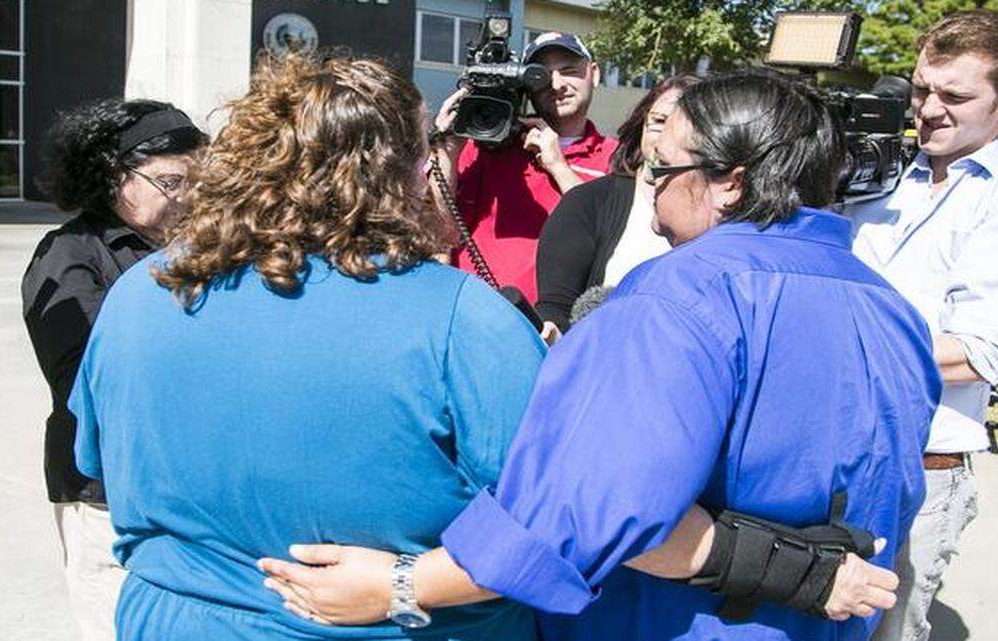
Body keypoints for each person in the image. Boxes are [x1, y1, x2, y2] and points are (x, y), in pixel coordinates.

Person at [260, 68, 943, 641]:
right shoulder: (893, 309)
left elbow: (591, 512)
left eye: (663, 169)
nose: (648, 188)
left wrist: (398, 584)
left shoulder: (676, 298)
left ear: (730, 182)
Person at [66, 53, 720, 641]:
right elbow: (564, 522)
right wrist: (405, 585)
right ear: (404, 173)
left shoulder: (140, 293)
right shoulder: (462, 321)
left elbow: (98, 460)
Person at [843, 11, 998, 641]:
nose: (929, 109)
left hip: (919, 467)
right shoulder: (873, 174)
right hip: (820, 452)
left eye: (955, 96)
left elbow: (972, 354)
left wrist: (826, 348)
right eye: (922, 89)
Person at [20, 98, 204, 641]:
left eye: (199, 182)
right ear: (113, 175)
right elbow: (85, 381)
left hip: (184, 486)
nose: (187, 197)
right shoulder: (69, 255)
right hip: (104, 493)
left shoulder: (199, 248)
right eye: (172, 181)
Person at [434, 31, 618, 303]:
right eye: (542, 75)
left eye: (569, 71)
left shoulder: (618, 156)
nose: (557, 84)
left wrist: (559, 167)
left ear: (594, 74)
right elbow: (439, 232)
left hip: (556, 328)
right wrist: (447, 152)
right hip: (474, 315)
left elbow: (612, 236)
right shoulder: (487, 146)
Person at [536, 74, 700, 332]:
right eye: (658, 121)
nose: (665, 137)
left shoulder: (724, 211)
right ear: (642, 124)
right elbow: (555, 308)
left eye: (682, 125)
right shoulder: (587, 203)